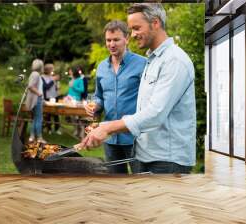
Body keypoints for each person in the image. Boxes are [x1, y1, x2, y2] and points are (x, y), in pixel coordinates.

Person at [81, 3, 196, 174]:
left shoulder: (174, 61)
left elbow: (155, 113)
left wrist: (107, 127)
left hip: (167, 159)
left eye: (136, 28)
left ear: (155, 23)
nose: (133, 34)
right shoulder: (153, 60)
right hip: (147, 153)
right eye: (131, 29)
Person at [84, 20, 146, 174]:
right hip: (110, 138)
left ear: (127, 39)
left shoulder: (143, 64)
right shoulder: (101, 68)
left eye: (116, 40)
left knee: (141, 181)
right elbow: (98, 96)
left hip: (135, 138)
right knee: (115, 183)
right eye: (108, 40)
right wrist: (96, 105)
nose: (112, 44)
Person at [24, 59, 47, 144]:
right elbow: (30, 86)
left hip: (36, 99)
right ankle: (39, 138)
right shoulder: (36, 74)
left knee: (35, 118)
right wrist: (40, 94)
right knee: (39, 118)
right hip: (37, 99)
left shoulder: (34, 74)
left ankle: (32, 136)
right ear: (41, 66)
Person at [41, 63, 61, 134]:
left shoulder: (52, 76)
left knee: (56, 113)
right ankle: (48, 128)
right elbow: (46, 87)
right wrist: (53, 80)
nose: (53, 70)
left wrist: (57, 86)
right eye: (52, 69)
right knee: (48, 114)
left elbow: (55, 87)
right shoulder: (42, 77)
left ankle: (57, 128)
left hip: (55, 97)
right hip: (47, 97)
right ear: (48, 69)